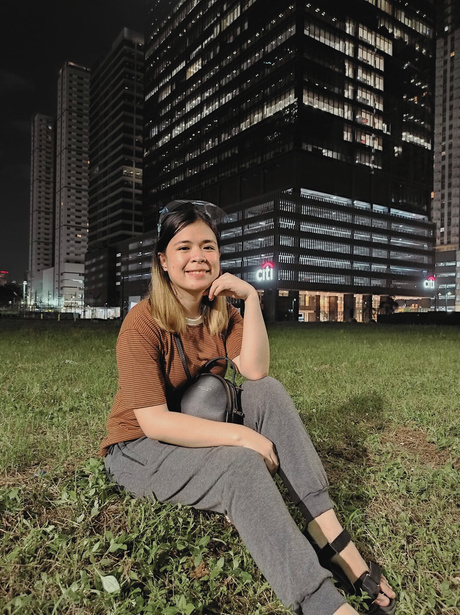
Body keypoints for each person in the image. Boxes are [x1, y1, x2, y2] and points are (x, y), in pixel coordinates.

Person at [100, 201, 396, 615]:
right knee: (239, 466)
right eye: (184, 247)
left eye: (208, 246)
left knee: (266, 391)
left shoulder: (220, 314)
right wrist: (242, 437)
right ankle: (321, 603)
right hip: (138, 448)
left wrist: (251, 300)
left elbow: (255, 371)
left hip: (193, 422)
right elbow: (154, 422)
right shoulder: (142, 323)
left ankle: (329, 535)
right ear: (163, 261)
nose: (198, 257)